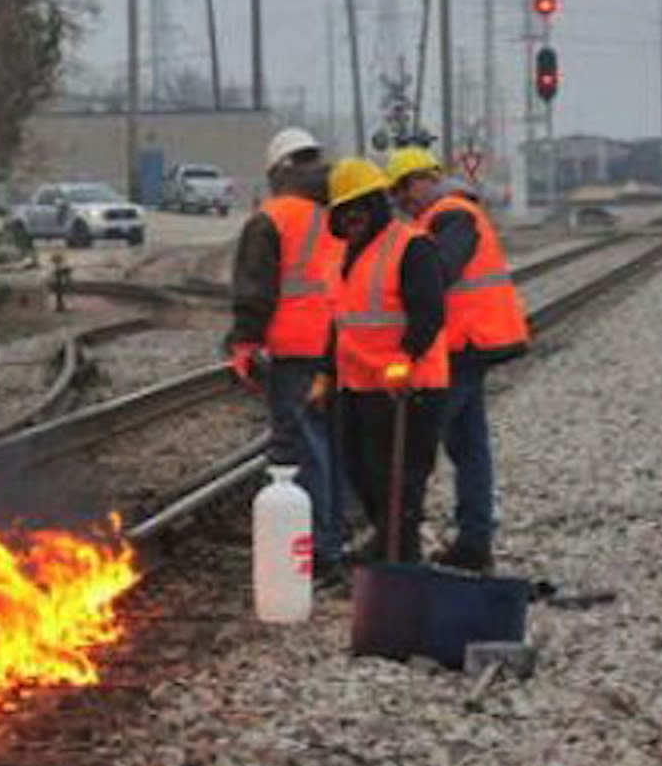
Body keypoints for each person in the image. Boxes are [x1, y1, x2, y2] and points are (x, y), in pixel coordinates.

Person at [384, 147, 530, 571]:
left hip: (464, 344)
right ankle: (474, 541)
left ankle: (398, 542)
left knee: (420, 445)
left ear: (422, 179)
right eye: (395, 196)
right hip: (471, 342)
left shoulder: (451, 214)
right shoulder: (447, 214)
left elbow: (437, 273)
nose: (402, 202)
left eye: (402, 190)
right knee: (469, 446)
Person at [224, 127, 345, 584]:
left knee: (301, 452)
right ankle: (330, 541)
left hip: (294, 350)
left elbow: (255, 290)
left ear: (277, 171)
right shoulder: (334, 212)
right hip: (337, 349)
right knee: (330, 448)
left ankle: (314, 551)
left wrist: (245, 344)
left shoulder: (271, 219)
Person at [324, 158, 449, 565]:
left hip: (407, 387)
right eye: (344, 211)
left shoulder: (411, 246)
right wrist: (328, 373)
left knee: (401, 479)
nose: (352, 217)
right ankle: (388, 543)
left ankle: (402, 559)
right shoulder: (350, 256)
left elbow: (429, 311)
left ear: (377, 205)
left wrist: (405, 358)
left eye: (360, 207)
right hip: (359, 385)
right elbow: (344, 322)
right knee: (361, 472)